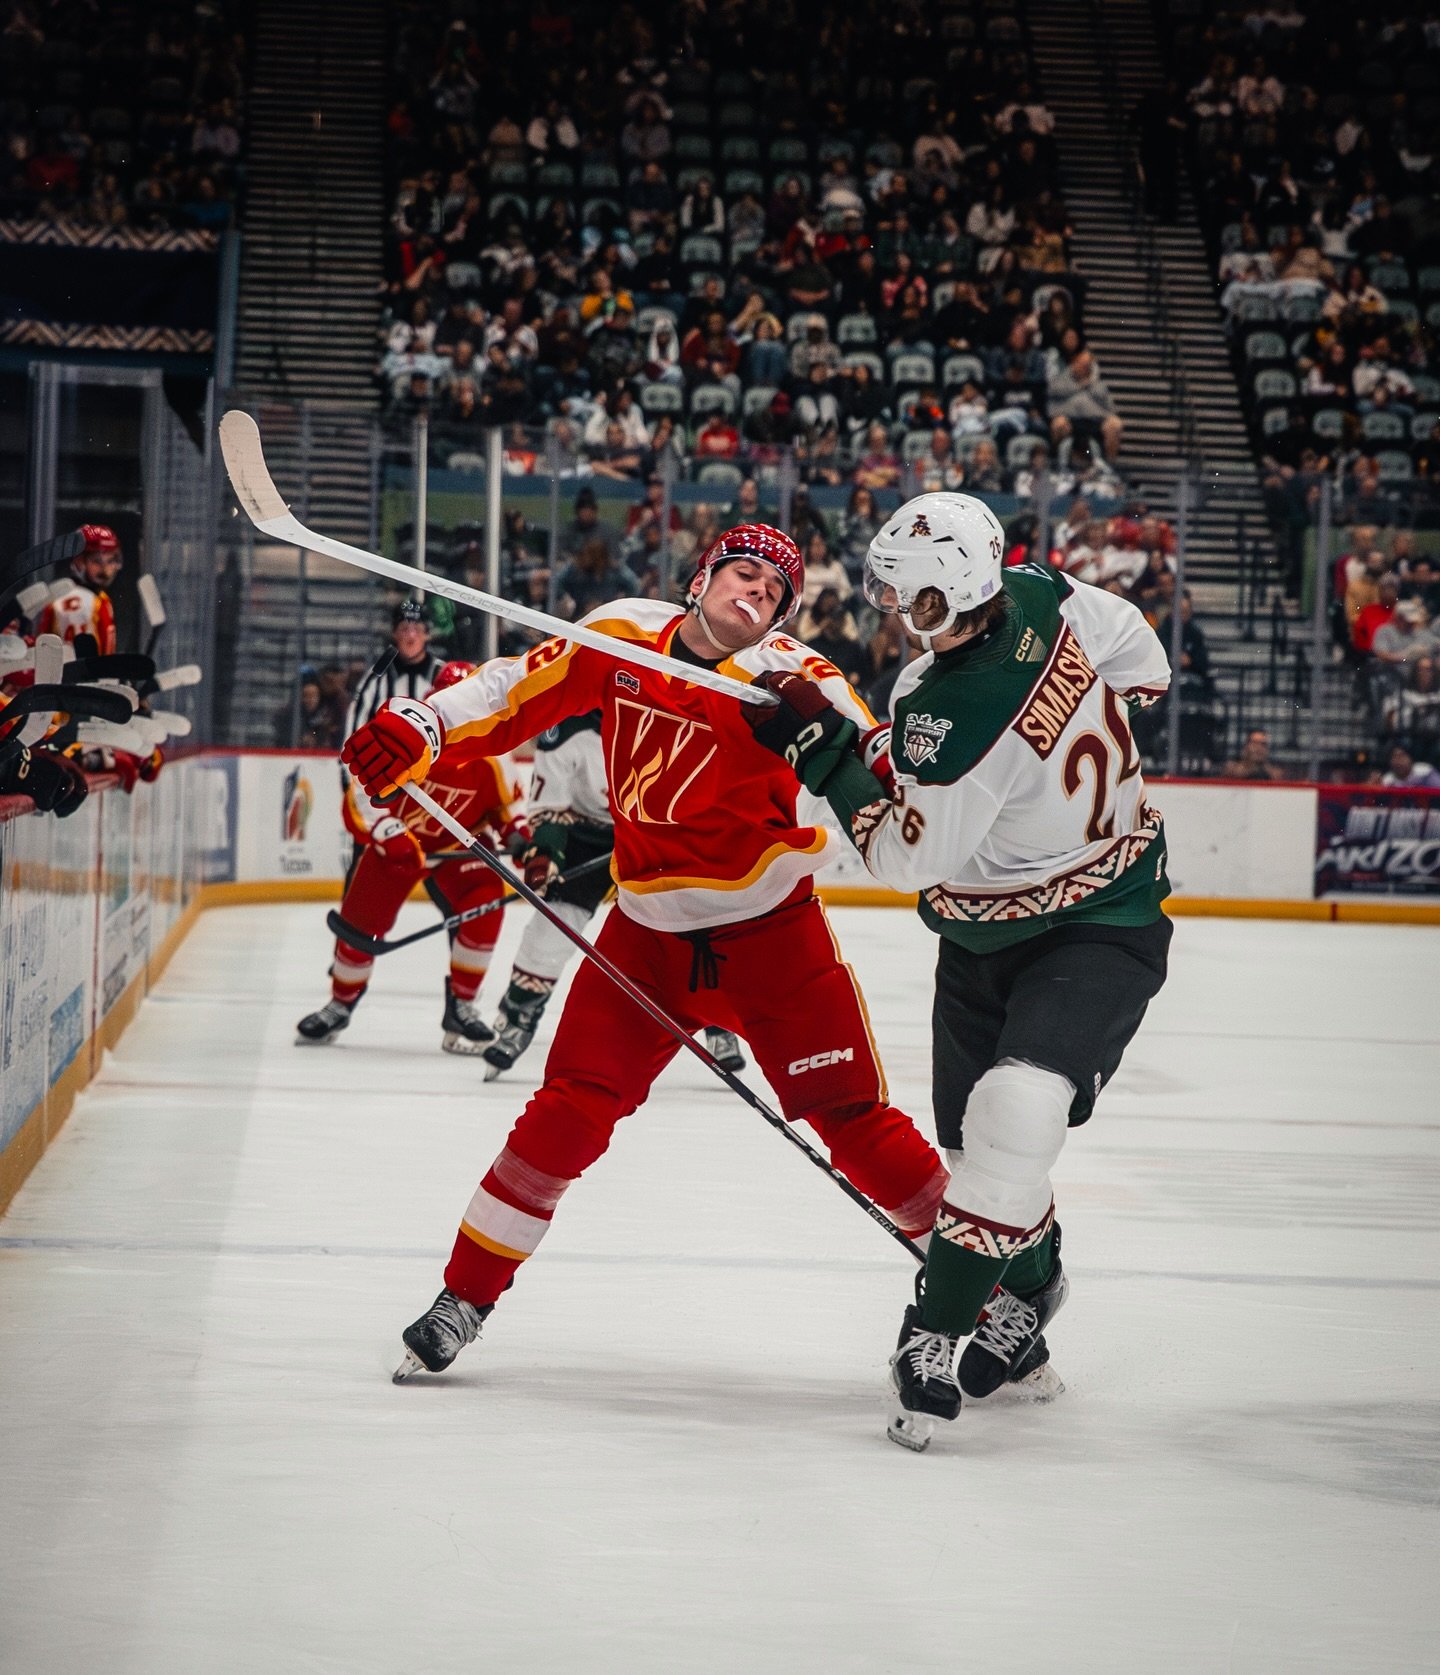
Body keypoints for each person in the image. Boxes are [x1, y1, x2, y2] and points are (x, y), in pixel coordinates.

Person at [341, 524, 950, 1380]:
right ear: (702, 577)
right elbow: (517, 689)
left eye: (775, 594)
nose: (756, 595)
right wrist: (425, 723)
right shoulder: (624, 632)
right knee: (563, 1113)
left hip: (771, 934)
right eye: (743, 574)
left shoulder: (791, 677)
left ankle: (987, 1294)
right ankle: (462, 1297)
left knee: (854, 1123)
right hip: (645, 936)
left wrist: (861, 749)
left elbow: (882, 767)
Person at [744, 492, 1173, 1450]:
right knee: (978, 1153)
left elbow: (906, 858)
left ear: (945, 595)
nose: (893, 608)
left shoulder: (941, 704)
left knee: (1013, 1117)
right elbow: (1141, 654)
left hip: (1101, 924)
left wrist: (827, 759)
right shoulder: (1043, 591)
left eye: (905, 595)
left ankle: (934, 1335)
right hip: (985, 939)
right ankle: (1033, 1283)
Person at [481, 710, 748, 1081]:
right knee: (555, 924)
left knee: (698, 924)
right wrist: (546, 851)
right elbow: (550, 802)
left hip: (658, 832)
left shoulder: (670, 714)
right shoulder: (568, 727)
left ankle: (720, 1024)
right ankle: (519, 1013)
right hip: (587, 836)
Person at [298, 661, 529, 1053]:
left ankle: (462, 1006)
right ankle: (340, 1002)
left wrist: (519, 836)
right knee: (359, 924)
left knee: (486, 904)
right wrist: (389, 832)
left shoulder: (492, 754)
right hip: (402, 847)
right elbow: (361, 794)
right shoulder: (408, 739)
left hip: (460, 849)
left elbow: (508, 806)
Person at [341, 601, 445, 840]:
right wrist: (349, 783)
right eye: (403, 628)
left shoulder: (443, 675)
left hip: (433, 789)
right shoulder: (375, 680)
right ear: (393, 633)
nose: (410, 635)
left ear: (427, 634)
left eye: (416, 629)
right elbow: (353, 733)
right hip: (383, 786)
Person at [36, 524, 122, 654]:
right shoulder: (86, 603)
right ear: (79, 562)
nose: (105, 570)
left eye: (110, 561)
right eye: (97, 561)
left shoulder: (97, 597)